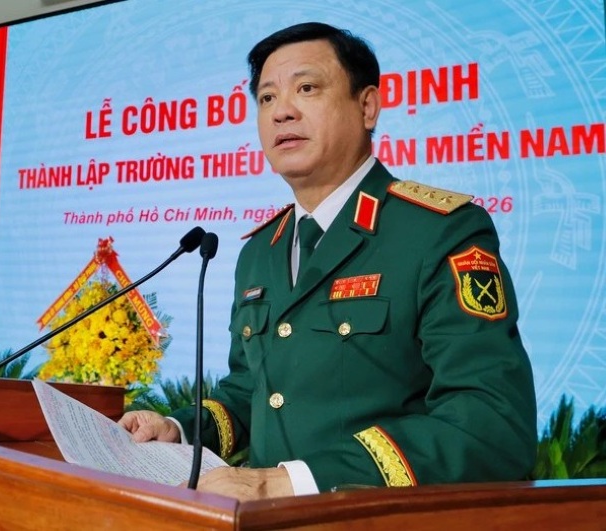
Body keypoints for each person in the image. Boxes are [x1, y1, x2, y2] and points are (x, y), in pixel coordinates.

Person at [119, 22, 537, 500]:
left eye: (307, 88)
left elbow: (492, 424)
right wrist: (179, 429)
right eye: (267, 98)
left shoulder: (439, 231)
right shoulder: (261, 250)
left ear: (368, 107)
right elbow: (251, 390)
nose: (282, 113)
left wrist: (295, 481)